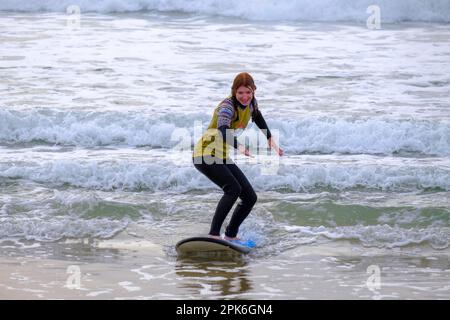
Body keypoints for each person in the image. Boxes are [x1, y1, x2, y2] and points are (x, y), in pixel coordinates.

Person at [192, 72, 283, 241]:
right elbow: (223, 129)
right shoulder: (227, 106)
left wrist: (269, 137)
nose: (244, 97)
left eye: (248, 92)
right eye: (240, 93)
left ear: (254, 90)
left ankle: (231, 235)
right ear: (234, 91)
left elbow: (257, 116)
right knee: (233, 189)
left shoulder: (251, 103)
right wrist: (240, 147)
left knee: (249, 197)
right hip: (205, 154)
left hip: (221, 155)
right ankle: (214, 235)